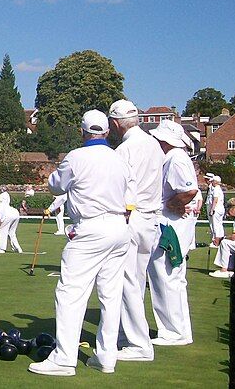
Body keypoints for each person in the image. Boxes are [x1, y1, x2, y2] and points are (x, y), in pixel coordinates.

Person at [29, 110, 132, 377]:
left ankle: (64, 359)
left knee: (70, 293)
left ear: (82, 131)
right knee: (111, 294)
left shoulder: (75, 157)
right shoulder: (119, 158)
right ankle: (106, 356)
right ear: (107, 131)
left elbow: (55, 187)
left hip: (91, 228)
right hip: (119, 228)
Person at [106, 99, 163, 362]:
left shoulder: (124, 150)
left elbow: (118, 190)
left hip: (133, 218)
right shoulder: (154, 144)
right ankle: (126, 335)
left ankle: (139, 345)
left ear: (115, 123)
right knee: (136, 282)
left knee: (127, 282)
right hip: (151, 219)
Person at [147, 119, 199, 347]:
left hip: (170, 227)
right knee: (170, 278)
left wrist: (172, 204)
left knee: (166, 277)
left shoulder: (176, 159)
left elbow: (189, 190)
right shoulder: (174, 158)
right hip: (171, 225)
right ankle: (177, 330)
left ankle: (173, 332)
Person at [208, 175, 225, 246]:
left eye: (213, 181)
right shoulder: (219, 189)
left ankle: (216, 242)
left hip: (216, 209)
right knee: (219, 224)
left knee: (215, 225)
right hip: (221, 209)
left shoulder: (216, 189)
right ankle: (221, 240)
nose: (212, 182)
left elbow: (215, 200)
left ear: (216, 182)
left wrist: (212, 209)